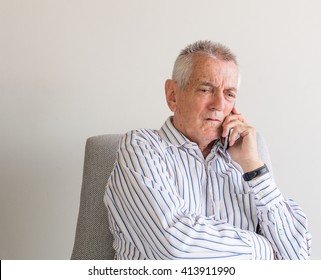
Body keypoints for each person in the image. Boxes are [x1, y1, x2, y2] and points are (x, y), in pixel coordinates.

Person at [104, 40, 311, 260]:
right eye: (205, 89)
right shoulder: (141, 147)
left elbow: (297, 259)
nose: (219, 104)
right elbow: (176, 248)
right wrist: (266, 250)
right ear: (173, 94)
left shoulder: (247, 158)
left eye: (229, 94)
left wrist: (254, 167)